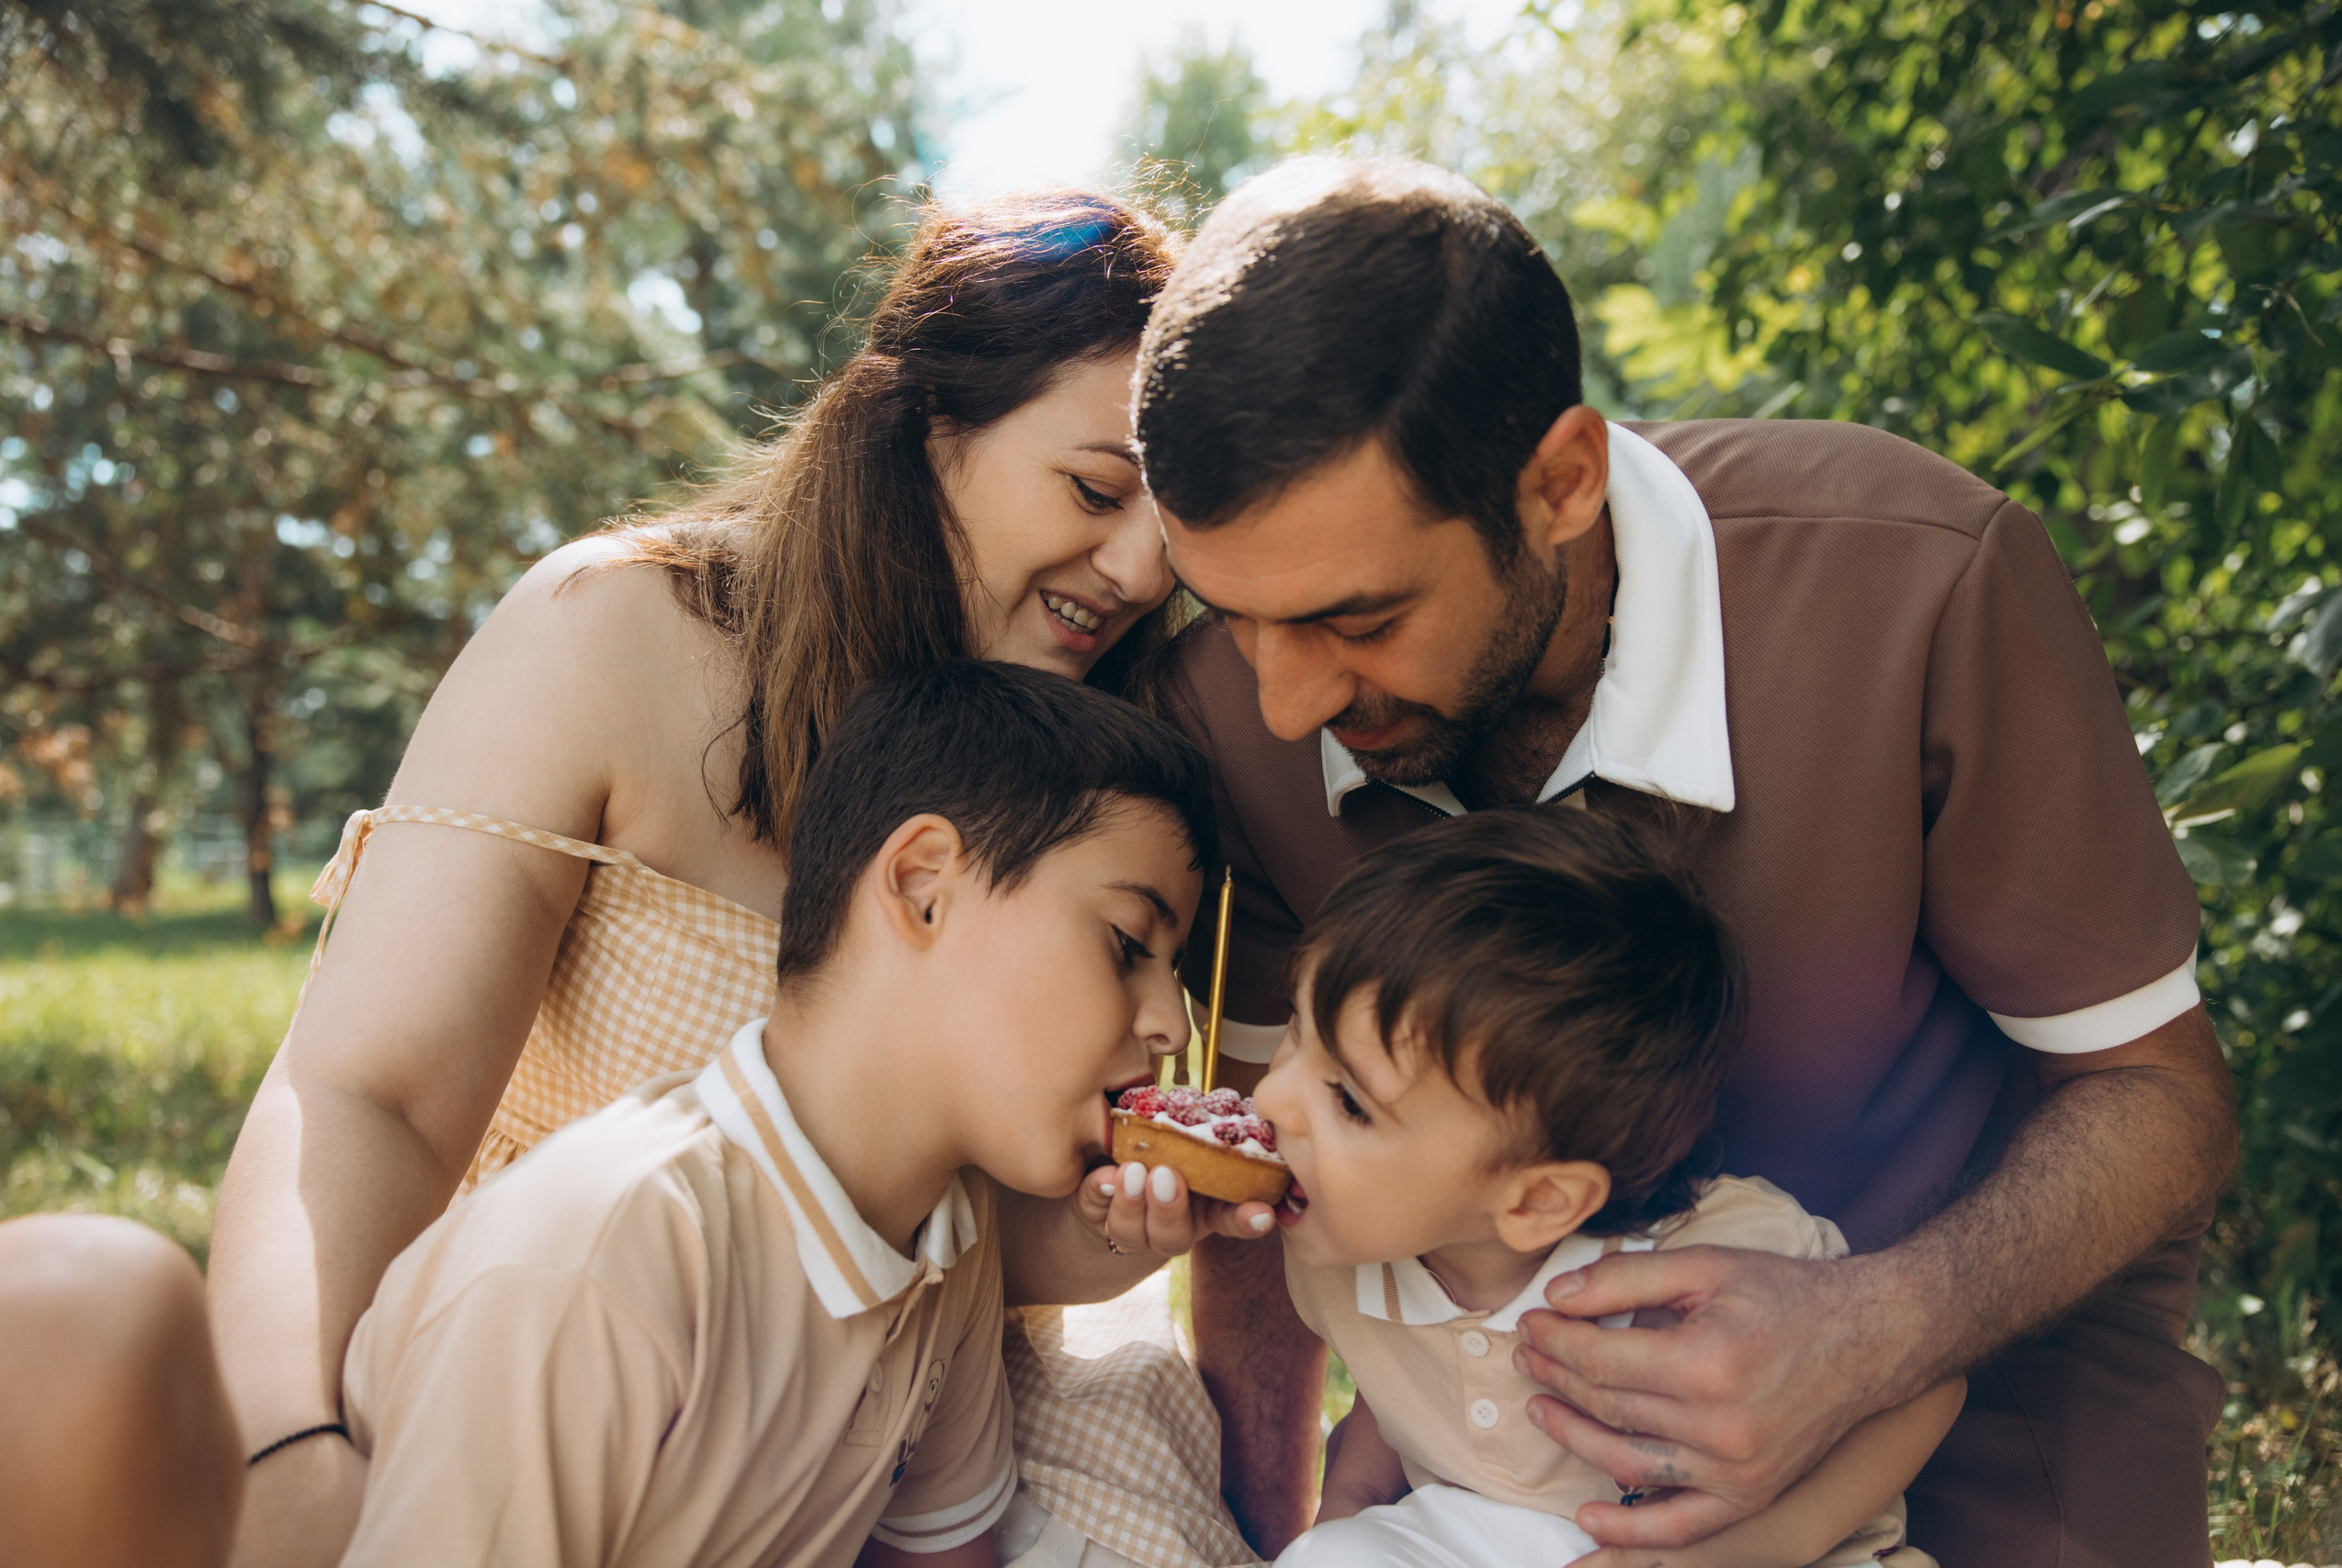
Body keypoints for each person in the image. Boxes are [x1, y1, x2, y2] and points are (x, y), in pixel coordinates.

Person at [0, 190, 1258, 1568]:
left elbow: (900, 1229)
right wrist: (299, 1446)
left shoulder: (1121, 785)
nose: (1141, 568)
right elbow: (371, 1094)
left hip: (871, 1403)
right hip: (546, 1367)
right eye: (1092, 489)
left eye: (1177, 529)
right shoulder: (624, 632)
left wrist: (1092, 1245)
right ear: (922, 427)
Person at [1137, 156, 2237, 1566]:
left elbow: (2159, 1094)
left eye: (1358, 615)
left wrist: (1875, 1327)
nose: (1285, 704)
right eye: (1235, 616)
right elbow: (1265, 1210)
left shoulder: (1918, 583)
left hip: (1976, 1355)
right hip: (1508, 1471)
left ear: (1561, 483)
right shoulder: (1228, 716)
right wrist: (1269, 1529)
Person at [330, 660, 1226, 1566]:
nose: (1168, 1023)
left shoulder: (949, 1239)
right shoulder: (598, 1262)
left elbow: (942, 1553)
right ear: (923, 888)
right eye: (1126, 945)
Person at [1258, 807, 1962, 1568]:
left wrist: (1748, 1550)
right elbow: (1403, 1379)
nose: (1271, 1099)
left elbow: (1923, 1388)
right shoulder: (1340, 1242)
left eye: (1350, 1101)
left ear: (1537, 1202)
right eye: (1295, 1028)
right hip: (1478, 1533)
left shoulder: (1731, 1256)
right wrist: (1352, 1500)